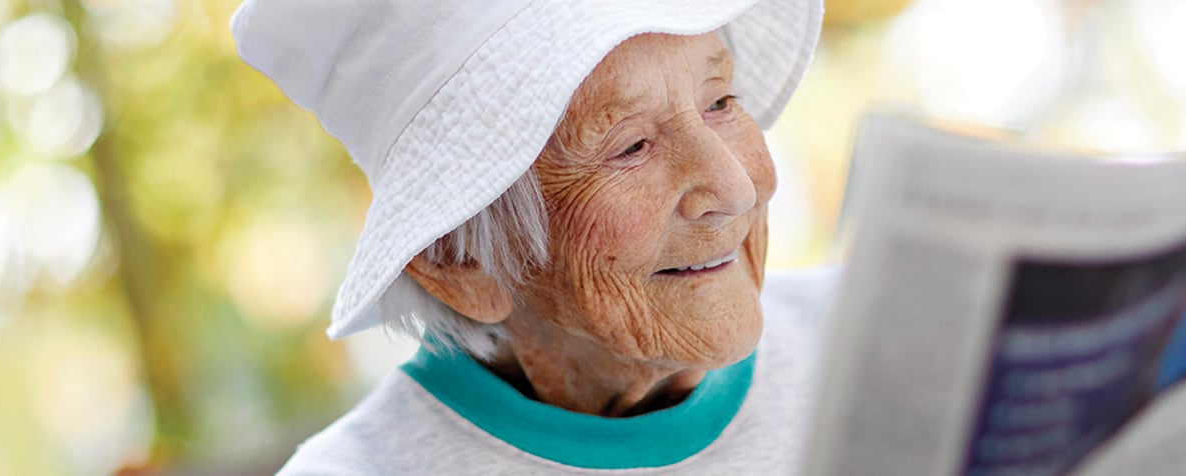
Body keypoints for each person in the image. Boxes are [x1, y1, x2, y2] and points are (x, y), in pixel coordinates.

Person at [230, 0, 825, 473]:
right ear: (459, 262)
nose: (736, 187)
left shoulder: (883, 330)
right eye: (630, 146)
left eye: (720, 101)